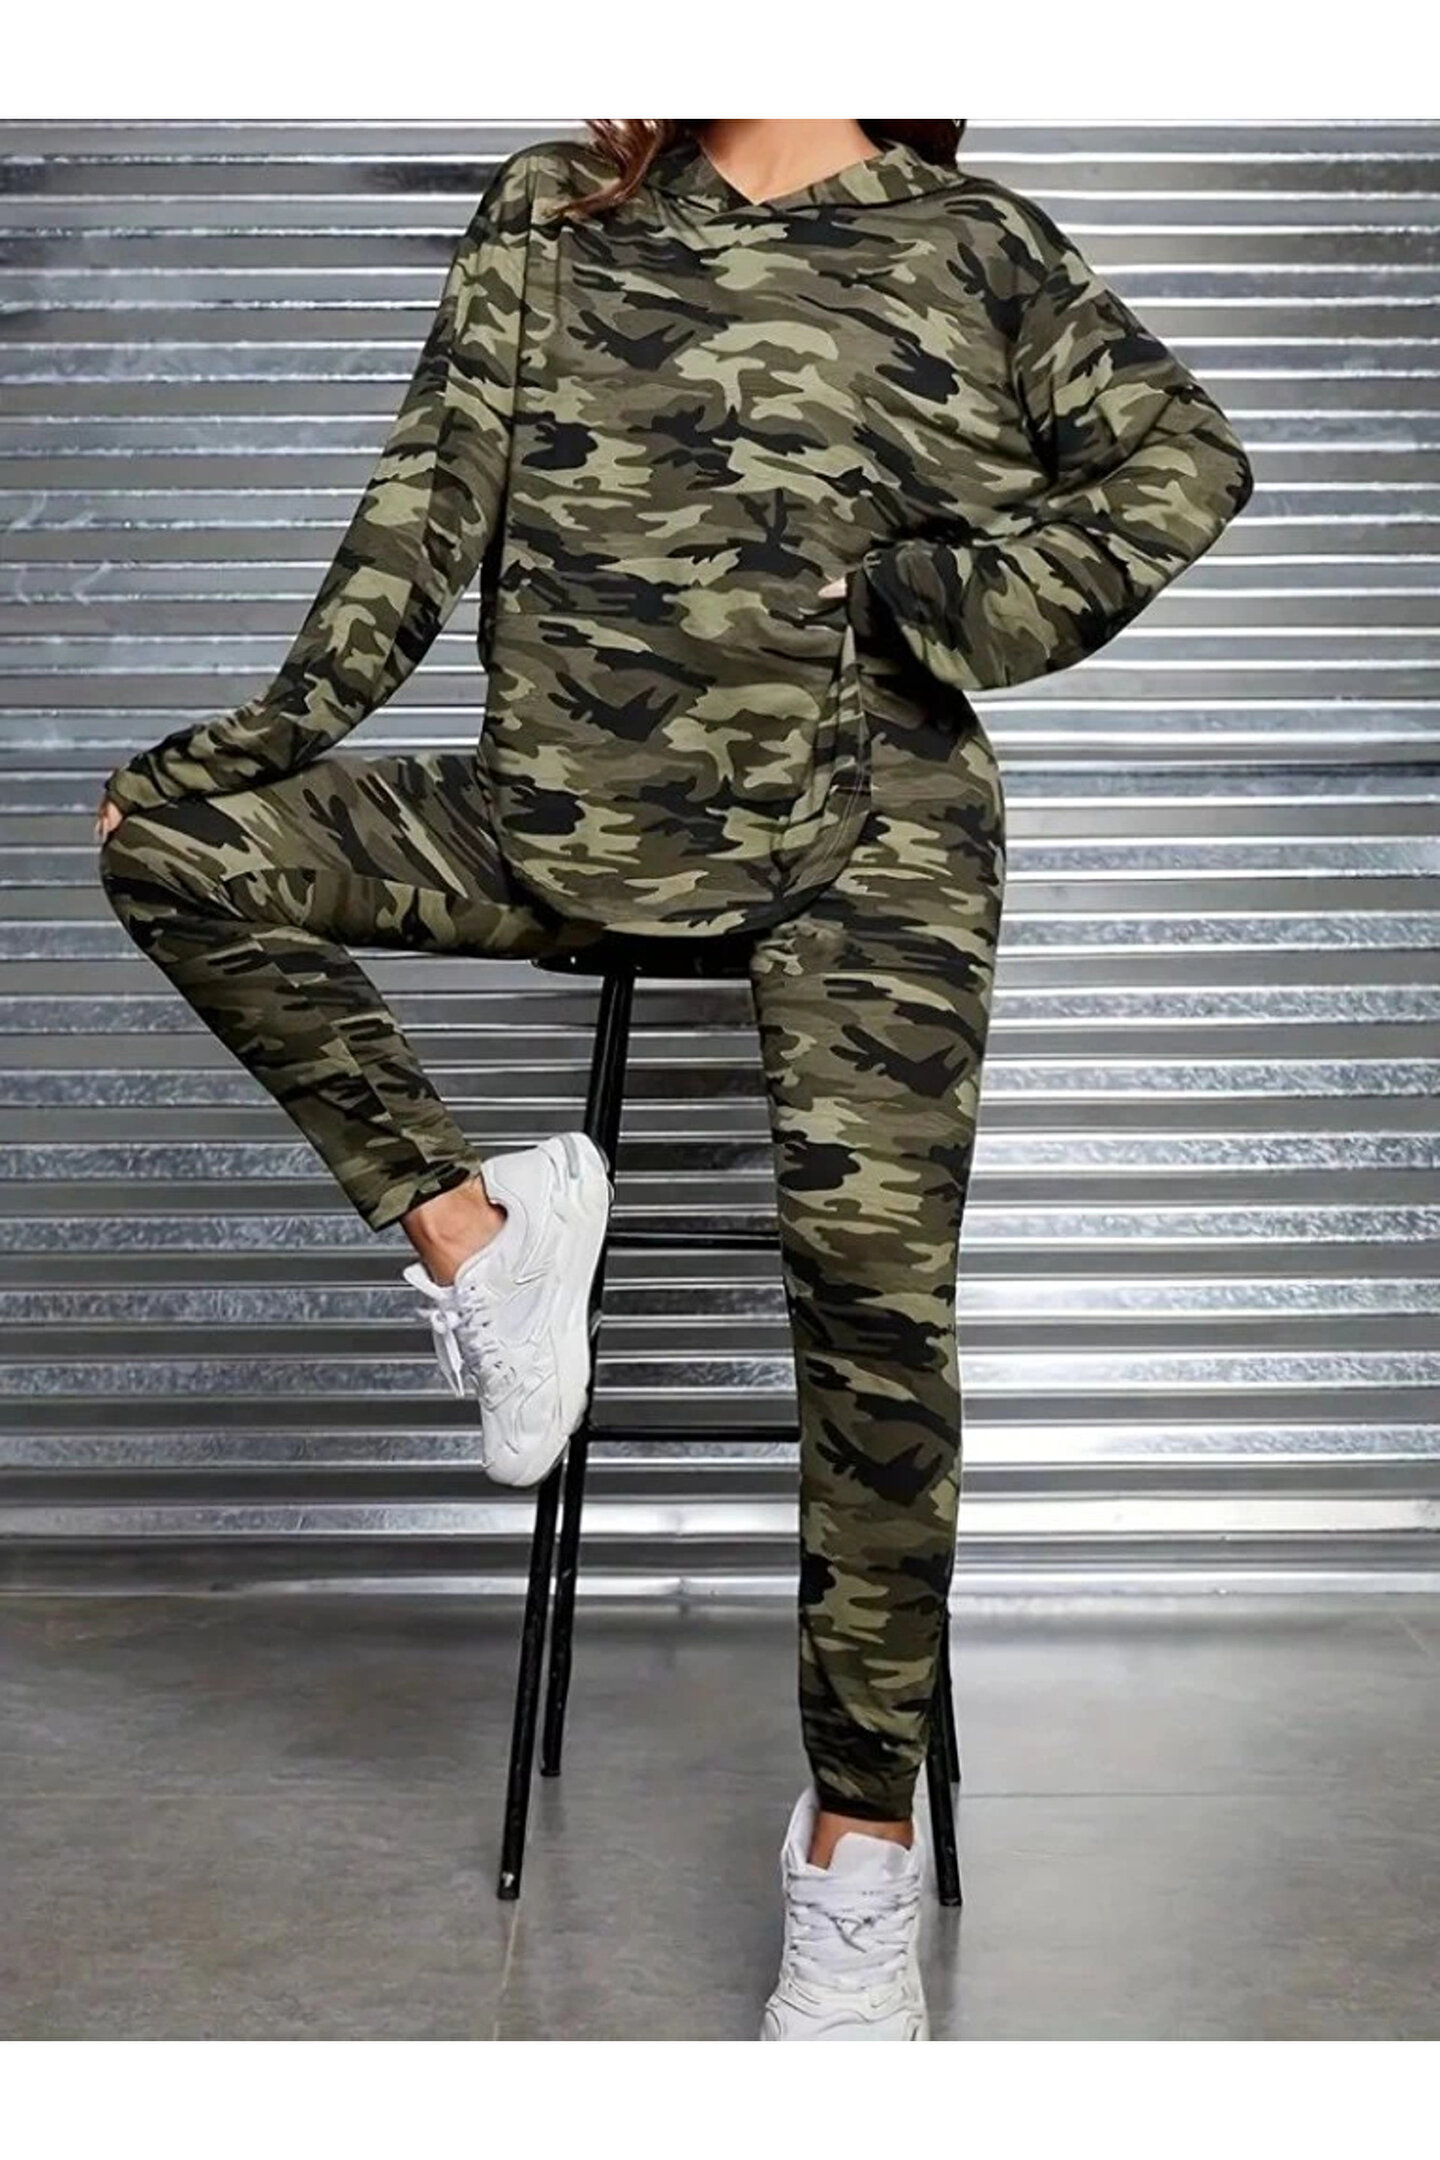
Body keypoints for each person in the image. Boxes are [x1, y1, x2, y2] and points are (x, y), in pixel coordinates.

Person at [95, 117, 1254, 2040]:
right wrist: (235, 749)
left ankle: (856, 1858)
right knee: (172, 856)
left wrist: (953, 604)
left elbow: (1186, 457)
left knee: (875, 1315)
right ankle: (486, 1239)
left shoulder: (972, 239)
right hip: (570, 814)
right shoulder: (559, 207)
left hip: (878, 835)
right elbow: (421, 514)